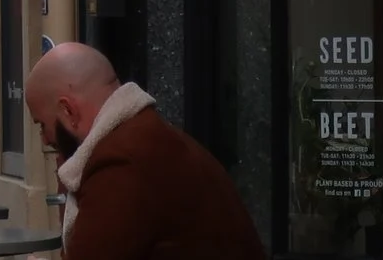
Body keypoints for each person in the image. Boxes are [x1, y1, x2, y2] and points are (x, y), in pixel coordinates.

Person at [23, 42, 267, 259]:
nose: (44, 138)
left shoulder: (120, 162)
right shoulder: (145, 137)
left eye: (42, 125)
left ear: (68, 111)